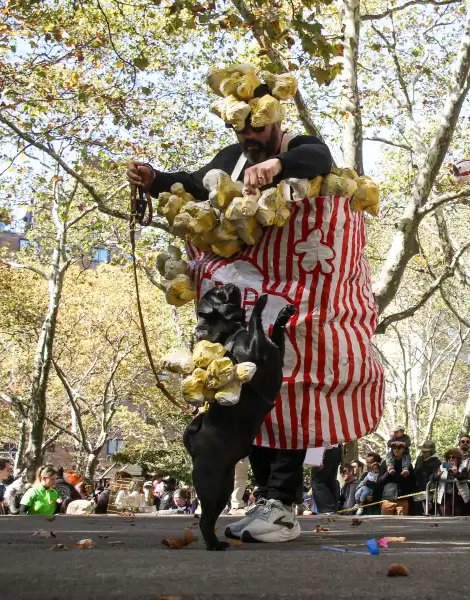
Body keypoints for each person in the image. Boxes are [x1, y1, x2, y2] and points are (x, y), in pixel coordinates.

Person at [128, 64, 385, 545]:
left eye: (257, 128)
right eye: (241, 129)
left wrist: (277, 167)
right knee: (253, 397)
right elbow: (197, 180)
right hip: (248, 306)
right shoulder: (233, 157)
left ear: (274, 121)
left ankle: (284, 504)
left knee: (292, 388)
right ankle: (268, 498)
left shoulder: (297, 146)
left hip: (301, 305)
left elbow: (319, 159)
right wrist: (156, 179)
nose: (249, 137)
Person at [430, 448, 470, 516]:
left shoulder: (463, 468)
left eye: (453, 457)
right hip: (445, 498)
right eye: (449, 457)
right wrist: (437, 475)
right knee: (445, 517)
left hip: (459, 498)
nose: (451, 459)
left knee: (459, 517)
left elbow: (463, 478)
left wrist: (456, 472)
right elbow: (432, 478)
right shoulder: (442, 467)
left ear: (458, 459)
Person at [377, 441, 413, 515]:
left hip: (403, 500)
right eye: (394, 448)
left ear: (404, 449)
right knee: (385, 524)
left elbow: (412, 482)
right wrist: (388, 472)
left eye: (399, 448)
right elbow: (379, 481)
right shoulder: (385, 463)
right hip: (387, 500)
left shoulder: (408, 465)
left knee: (401, 524)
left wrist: (403, 476)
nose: (396, 450)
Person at [311, 444, 343, 514]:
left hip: (322, 446)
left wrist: (321, 454)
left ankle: (327, 509)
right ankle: (332, 508)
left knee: (318, 481)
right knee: (330, 480)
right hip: (335, 448)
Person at [413, 440, 441, 515]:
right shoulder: (420, 459)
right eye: (423, 450)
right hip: (418, 490)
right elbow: (415, 473)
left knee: (429, 513)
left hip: (430, 492)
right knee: (418, 512)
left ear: (431, 451)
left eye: (426, 451)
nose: (423, 452)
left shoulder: (436, 462)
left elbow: (435, 476)